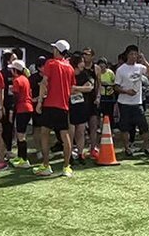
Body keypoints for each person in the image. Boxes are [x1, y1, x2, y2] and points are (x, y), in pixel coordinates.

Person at [35, 40, 77, 178]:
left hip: (50, 104)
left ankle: (46, 165)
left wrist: (39, 102)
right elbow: (71, 88)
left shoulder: (51, 63)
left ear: (57, 50)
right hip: (63, 105)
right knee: (65, 135)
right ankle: (66, 167)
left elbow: (44, 83)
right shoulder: (70, 67)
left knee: (44, 133)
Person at [114, 44, 149, 156]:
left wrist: (144, 61)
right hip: (124, 103)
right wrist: (126, 91)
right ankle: (127, 147)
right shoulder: (121, 70)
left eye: (135, 54)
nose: (134, 56)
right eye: (131, 54)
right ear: (127, 55)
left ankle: (147, 146)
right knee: (125, 127)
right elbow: (116, 87)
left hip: (137, 102)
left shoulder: (140, 67)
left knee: (143, 126)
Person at [68, 52, 96, 162]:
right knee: (70, 132)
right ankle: (69, 155)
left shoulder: (84, 74)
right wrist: (80, 88)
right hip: (70, 106)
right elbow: (68, 90)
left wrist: (76, 88)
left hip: (82, 105)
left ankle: (80, 154)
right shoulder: (68, 73)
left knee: (81, 131)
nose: (84, 63)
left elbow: (90, 87)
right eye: (82, 61)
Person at [8, 60, 34, 168]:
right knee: (21, 134)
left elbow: (15, 97)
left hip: (22, 109)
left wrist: (11, 111)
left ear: (15, 70)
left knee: (20, 135)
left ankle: (24, 159)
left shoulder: (17, 80)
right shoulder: (25, 79)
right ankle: (20, 157)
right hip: (28, 107)